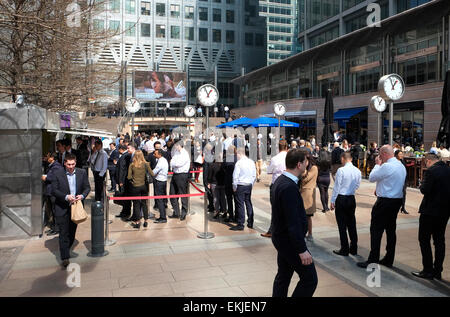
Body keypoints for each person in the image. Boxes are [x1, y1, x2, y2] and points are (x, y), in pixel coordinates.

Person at [271, 148, 318, 297]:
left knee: (283, 276)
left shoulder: (281, 180)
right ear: (299, 164)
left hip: (282, 238)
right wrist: (301, 250)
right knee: (310, 279)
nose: (307, 164)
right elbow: (293, 222)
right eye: (305, 161)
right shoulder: (288, 186)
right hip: (289, 241)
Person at [357, 145, 406, 269]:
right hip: (396, 200)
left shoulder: (386, 166)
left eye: (380, 155)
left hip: (385, 202)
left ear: (384, 154)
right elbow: (391, 181)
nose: (379, 157)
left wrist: (377, 165)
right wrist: (380, 188)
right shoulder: (400, 165)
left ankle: (373, 260)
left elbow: (372, 178)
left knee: (376, 230)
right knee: (390, 230)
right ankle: (389, 258)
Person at [411, 153, 450, 280]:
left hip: (429, 211)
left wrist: (423, 183)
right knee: (439, 241)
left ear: (428, 161)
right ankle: (438, 270)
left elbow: (424, 190)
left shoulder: (431, 171)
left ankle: (427, 270)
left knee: (424, 239)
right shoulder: (447, 169)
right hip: (444, 211)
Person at [51, 154, 90, 268]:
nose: (71, 167)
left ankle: (66, 249)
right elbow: (54, 190)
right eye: (68, 164)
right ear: (64, 163)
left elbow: (87, 187)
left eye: (73, 164)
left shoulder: (82, 173)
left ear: (76, 163)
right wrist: (66, 197)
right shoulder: (57, 173)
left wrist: (82, 196)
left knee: (72, 232)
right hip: (62, 207)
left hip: (76, 208)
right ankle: (65, 257)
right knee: (63, 233)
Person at [330, 152, 361, 256]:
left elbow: (337, 186)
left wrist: (333, 200)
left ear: (343, 158)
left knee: (342, 225)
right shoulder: (357, 170)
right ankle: (354, 248)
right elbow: (357, 185)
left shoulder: (341, 170)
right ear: (351, 159)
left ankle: (344, 248)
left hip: (342, 198)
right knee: (352, 223)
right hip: (351, 198)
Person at [261, 140, 288, 238]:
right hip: (288, 184)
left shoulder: (275, 158)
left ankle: (272, 230)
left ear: (278, 148)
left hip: (277, 184)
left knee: (276, 209)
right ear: (286, 147)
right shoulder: (290, 157)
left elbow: (269, 171)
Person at [230, 147, 256, 231]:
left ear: (239, 154)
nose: (236, 156)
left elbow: (235, 176)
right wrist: (251, 183)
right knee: (248, 202)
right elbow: (254, 175)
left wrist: (234, 186)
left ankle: (240, 223)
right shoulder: (251, 162)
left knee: (240, 204)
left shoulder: (239, 163)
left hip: (241, 185)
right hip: (248, 185)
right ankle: (250, 222)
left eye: (237, 154)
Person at [127, 150, 154, 229]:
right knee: (144, 203)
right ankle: (146, 220)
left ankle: (137, 221)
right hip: (144, 186)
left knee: (136, 204)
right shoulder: (146, 164)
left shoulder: (132, 165)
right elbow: (152, 173)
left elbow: (129, 177)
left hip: (135, 186)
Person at [42, 152, 64, 236]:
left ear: (52, 158)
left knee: (55, 210)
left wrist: (46, 177)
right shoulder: (52, 165)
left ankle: (57, 228)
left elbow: (54, 177)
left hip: (53, 192)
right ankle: (54, 227)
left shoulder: (56, 166)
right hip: (50, 191)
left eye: (48, 156)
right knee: (52, 210)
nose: (47, 158)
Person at [169, 141, 191, 221]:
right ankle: (176, 212)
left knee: (183, 194)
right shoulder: (176, 152)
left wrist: (174, 164)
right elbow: (172, 162)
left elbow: (178, 164)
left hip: (182, 175)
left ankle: (184, 213)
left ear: (179, 145)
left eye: (176, 145)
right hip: (175, 174)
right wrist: (173, 164)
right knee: (172, 193)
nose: (175, 147)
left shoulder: (184, 153)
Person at [301, 154, 318, 241]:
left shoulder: (314, 168)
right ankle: (303, 232)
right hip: (302, 193)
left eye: (304, 161)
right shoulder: (307, 168)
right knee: (302, 215)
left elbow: (306, 178)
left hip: (308, 194)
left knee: (308, 216)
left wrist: (302, 170)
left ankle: (310, 234)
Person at [115, 144, 133, 219]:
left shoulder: (124, 156)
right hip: (124, 180)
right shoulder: (125, 155)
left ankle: (126, 212)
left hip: (123, 181)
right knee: (124, 197)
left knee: (125, 197)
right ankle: (124, 211)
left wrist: (120, 181)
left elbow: (122, 169)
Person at [152, 149, 169, 223]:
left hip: (160, 181)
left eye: (155, 154)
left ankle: (163, 217)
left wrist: (150, 173)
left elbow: (155, 171)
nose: (154, 155)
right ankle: (162, 216)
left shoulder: (161, 161)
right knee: (161, 199)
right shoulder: (163, 160)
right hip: (163, 181)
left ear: (159, 154)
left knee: (160, 200)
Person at [223, 145, 237, 223]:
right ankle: (237, 216)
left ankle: (231, 216)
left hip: (228, 182)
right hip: (236, 182)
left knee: (229, 200)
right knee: (236, 200)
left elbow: (223, 168)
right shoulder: (238, 159)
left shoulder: (226, 159)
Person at [395, 150, 409, 214]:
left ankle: (403, 207)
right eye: (399, 154)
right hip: (396, 180)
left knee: (404, 193)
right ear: (396, 155)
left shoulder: (403, 161)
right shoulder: (394, 162)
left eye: (401, 154)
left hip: (403, 180)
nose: (401, 155)